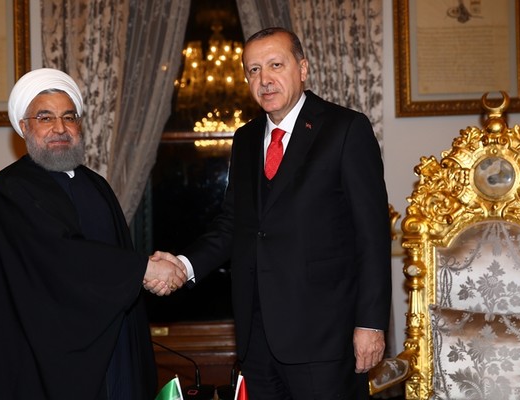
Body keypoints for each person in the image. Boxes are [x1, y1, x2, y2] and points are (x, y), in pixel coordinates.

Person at [149, 27, 391, 399]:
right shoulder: (245, 139)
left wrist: (371, 324)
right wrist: (184, 265)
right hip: (257, 339)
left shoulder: (345, 130)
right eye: (254, 70)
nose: (264, 79)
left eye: (275, 65)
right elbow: (233, 224)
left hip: (325, 339)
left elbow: (372, 236)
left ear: (303, 68)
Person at [0, 68, 186, 399]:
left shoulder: (97, 186)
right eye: (45, 118)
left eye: (69, 117)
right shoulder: (8, 188)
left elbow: (116, 255)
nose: (60, 128)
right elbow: (56, 256)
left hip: (111, 341)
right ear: (24, 126)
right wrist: (144, 269)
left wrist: (143, 272)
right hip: (37, 352)